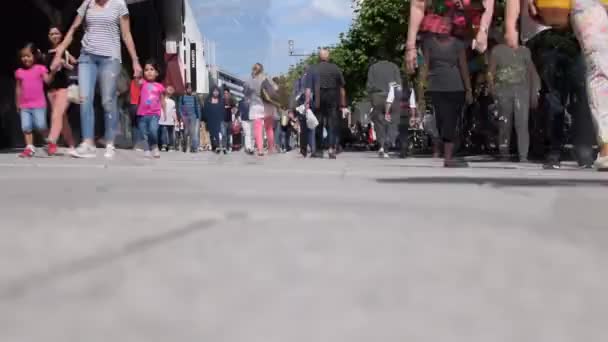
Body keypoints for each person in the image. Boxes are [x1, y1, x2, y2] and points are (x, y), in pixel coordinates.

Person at [504, 0, 608, 171]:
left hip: (579, 16)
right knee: (558, 95)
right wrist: (510, 23)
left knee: (582, 90)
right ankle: (562, 150)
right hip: (560, 24)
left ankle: (583, 147)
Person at [52, 0, 142, 159]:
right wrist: (60, 50)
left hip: (110, 58)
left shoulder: (119, 4)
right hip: (87, 57)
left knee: (107, 100)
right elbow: (74, 28)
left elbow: (126, 34)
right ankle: (88, 143)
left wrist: (135, 61)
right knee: (85, 98)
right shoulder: (87, 3)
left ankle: (110, 142)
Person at [421, 35, 474, 167]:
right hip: (436, 87)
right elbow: (425, 66)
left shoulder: (458, 44)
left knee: (450, 120)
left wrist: (468, 90)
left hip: (456, 88)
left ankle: (448, 157)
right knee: (440, 119)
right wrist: (420, 89)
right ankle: (444, 148)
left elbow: (463, 66)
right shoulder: (429, 43)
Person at [406, 0, 495, 74]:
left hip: (468, 40)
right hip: (434, 36)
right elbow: (418, 5)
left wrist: (483, 30)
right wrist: (410, 47)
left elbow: (487, 7)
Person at [488, 38, 539, 162]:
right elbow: (491, 71)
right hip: (503, 90)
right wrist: (492, 89)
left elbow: (532, 73)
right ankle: (504, 154)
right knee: (504, 124)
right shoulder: (497, 50)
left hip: (522, 91)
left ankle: (523, 156)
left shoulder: (524, 50)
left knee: (522, 124)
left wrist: (534, 94)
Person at [15, 43, 54, 158]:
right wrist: (17, 102)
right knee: (26, 127)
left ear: (34, 56)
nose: (25, 58)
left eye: (28, 56)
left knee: (41, 125)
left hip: (39, 104)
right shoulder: (19, 72)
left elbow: (48, 81)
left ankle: (49, 142)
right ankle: (29, 147)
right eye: (23, 56)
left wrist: (54, 71)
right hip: (24, 105)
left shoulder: (40, 69)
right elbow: (18, 89)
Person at [307, 49, 346, 159]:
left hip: (318, 97)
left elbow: (308, 89)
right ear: (328, 57)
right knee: (331, 124)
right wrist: (343, 103)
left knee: (318, 123)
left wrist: (307, 103)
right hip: (332, 97)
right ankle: (331, 149)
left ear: (319, 57)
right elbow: (342, 86)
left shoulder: (313, 68)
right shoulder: (335, 68)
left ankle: (319, 150)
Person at [45, 26, 76, 156]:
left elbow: (74, 65)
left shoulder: (65, 51)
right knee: (62, 118)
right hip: (51, 90)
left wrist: (64, 63)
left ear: (61, 35)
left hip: (63, 88)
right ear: (49, 36)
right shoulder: (47, 53)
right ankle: (72, 143)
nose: (54, 36)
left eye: (57, 33)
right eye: (52, 34)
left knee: (56, 115)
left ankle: (52, 141)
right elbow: (46, 72)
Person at [366, 51, 403, 158]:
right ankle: (389, 141)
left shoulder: (372, 68)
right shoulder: (394, 67)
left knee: (379, 123)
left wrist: (372, 95)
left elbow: (369, 85)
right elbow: (398, 84)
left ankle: (381, 145)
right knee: (393, 121)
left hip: (377, 98)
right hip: (392, 98)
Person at [245, 63, 277, 156]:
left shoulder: (251, 80)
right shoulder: (267, 78)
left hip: (256, 106)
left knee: (258, 129)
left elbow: (246, 93)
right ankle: (271, 148)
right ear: (262, 69)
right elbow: (275, 88)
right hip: (267, 105)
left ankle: (260, 149)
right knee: (269, 128)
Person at [136, 60, 165, 158]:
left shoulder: (160, 87)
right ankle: (146, 149)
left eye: (152, 69)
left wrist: (164, 112)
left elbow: (162, 100)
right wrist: (138, 73)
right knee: (143, 133)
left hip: (154, 113)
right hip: (142, 113)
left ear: (157, 73)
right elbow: (137, 80)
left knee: (153, 131)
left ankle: (154, 146)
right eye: (146, 70)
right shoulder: (142, 83)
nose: (149, 72)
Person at [178, 83, 202, 153]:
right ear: (185, 89)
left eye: (190, 88)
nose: (190, 89)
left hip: (193, 116)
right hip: (185, 117)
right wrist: (182, 116)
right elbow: (179, 108)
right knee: (185, 132)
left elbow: (197, 108)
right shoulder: (182, 97)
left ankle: (191, 147)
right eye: (188, 88)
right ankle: (185, 145)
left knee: (192, 132)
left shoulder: (194, 98)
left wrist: (199, 118)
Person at [202, 86, 225, 153]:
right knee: (212, 134)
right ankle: (214, 146)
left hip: (218, 119)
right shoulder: (208, 100)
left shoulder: (221, 100)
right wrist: (205, 118)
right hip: (210, 119)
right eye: (214, 91)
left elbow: (223, 110)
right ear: (212, 92)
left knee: (218, 133)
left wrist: (222, 118)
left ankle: (218, 146)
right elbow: (205, 110)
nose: (215, 92)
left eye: (217, 91)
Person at [159, 85, 177, 152]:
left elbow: (174, 112)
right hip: (163, 120)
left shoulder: (172, 102)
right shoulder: (161, 100)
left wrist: (176, 119)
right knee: (165, 133)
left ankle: (170, 146)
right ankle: (165, 145)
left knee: (170, 133)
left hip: (169, 120)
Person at [129, 78, 142, 150]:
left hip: (132, 104)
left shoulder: (132, 81)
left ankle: (134, 144)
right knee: (139, 125)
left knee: (134, 125)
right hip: (139, 104)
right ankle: (138, 144)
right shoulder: (143, 82)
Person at [222, 88, 235, 153]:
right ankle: (224, 147)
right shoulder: (221, 100)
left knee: (228, 134)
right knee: (224, 134)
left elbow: (234, 109)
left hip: (229, 120)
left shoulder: (231, 100)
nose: (225, 94)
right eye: (224, 93)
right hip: (223, 120)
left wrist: (232, 109)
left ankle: (227, 146)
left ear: (229, 94)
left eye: (227, 93)